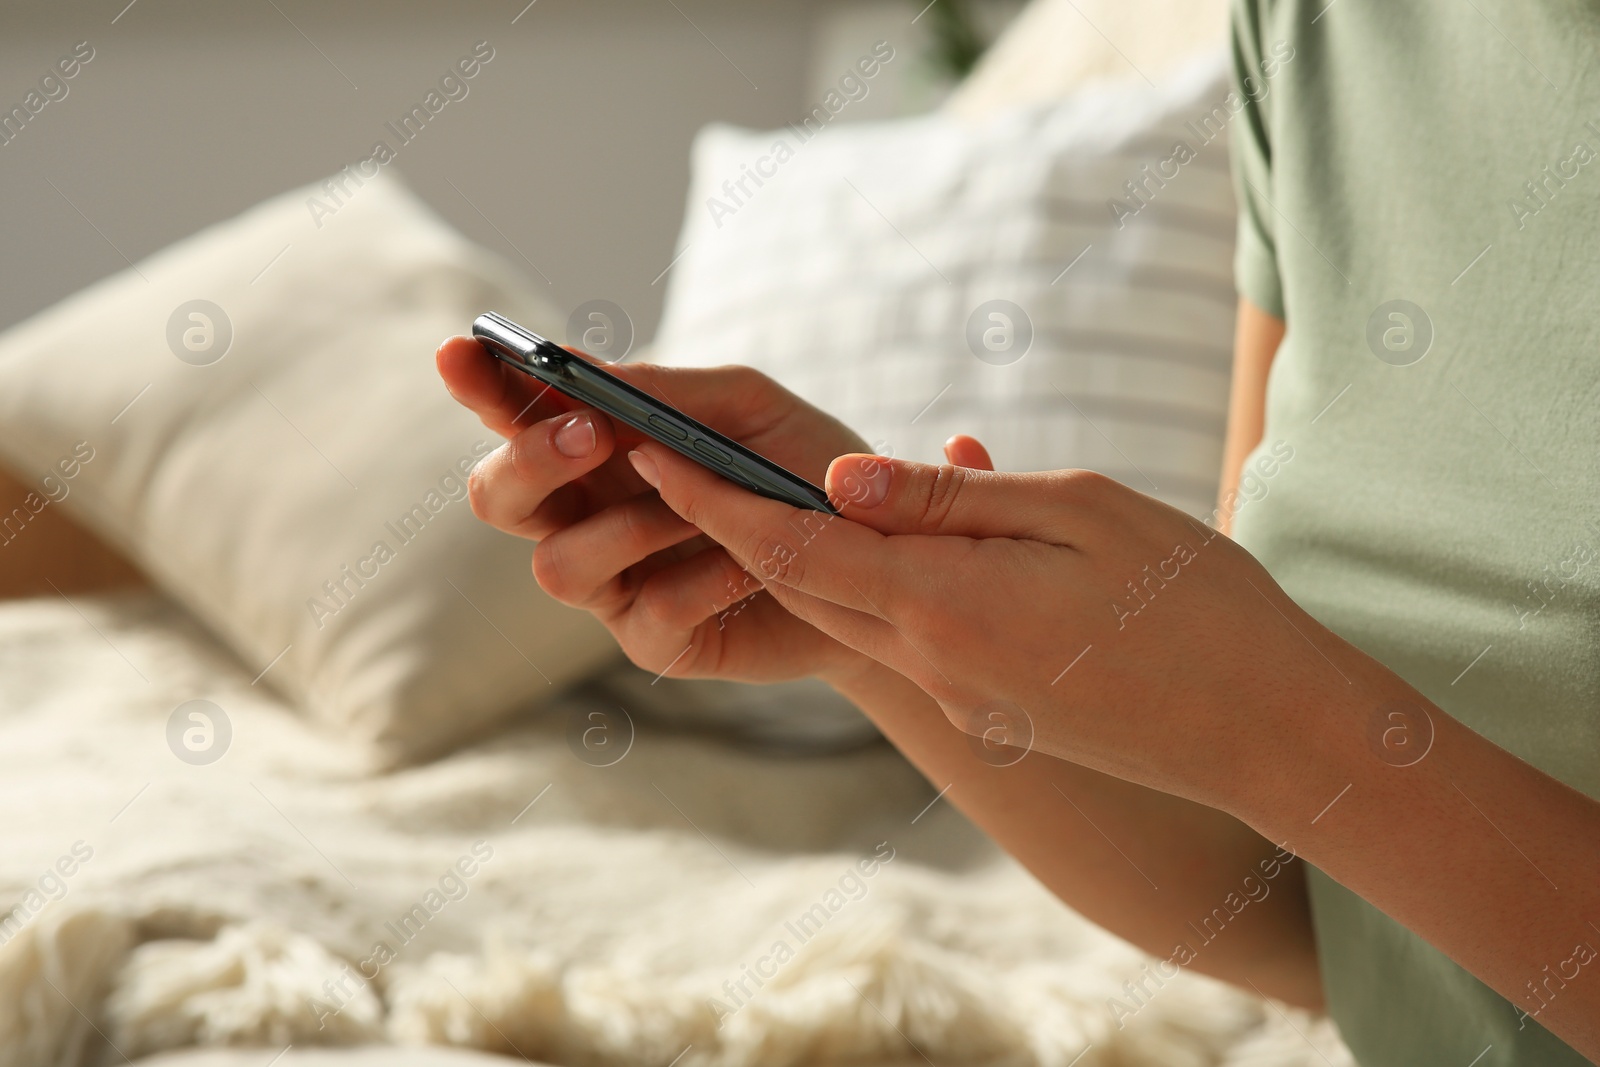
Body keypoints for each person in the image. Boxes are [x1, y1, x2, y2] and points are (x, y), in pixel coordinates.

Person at [436, 1, 1600, 1061]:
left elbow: (1300, 758)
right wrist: (859, 616)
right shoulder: (1319, 33)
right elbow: (1305, 922)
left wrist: (1284, 723)